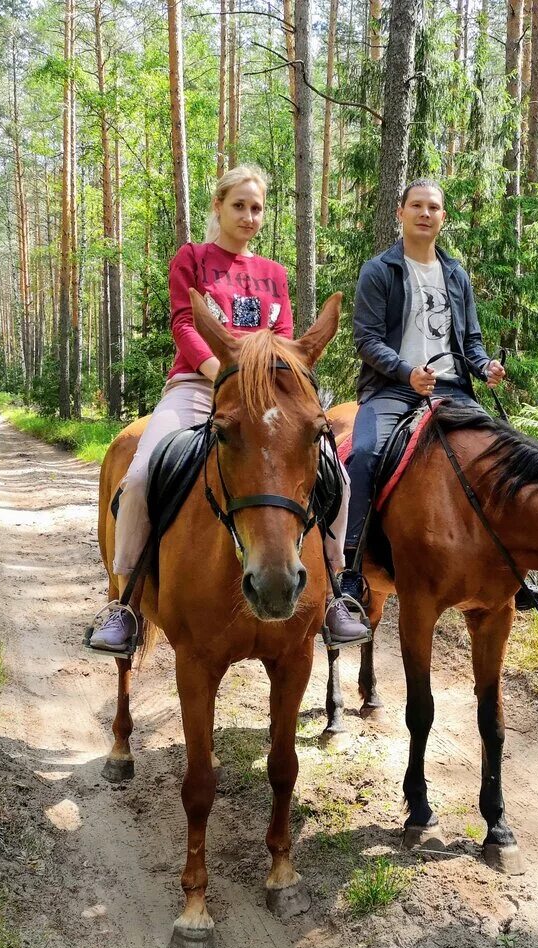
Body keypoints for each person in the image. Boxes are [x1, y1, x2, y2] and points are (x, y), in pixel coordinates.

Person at [88, 165, 368, 653]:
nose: (248, 216)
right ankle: (126, 601)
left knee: (336, 477)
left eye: (256, 208)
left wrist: (271, 385)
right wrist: (222, 373)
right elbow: (184, 324)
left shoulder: (273, 274)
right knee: (137, 476)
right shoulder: (192, 258)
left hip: (263, 398)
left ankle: (335, 593)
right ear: (218, 206)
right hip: (197, 385)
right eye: (239, 205)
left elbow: (281, 341)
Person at [340, 179, 538, 614]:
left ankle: (516, 575)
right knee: (363, 453)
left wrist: (484, 367)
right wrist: (407, 373)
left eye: (433, 207)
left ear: (443, 217)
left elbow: (472, 340)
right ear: (400, 213)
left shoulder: (456, 274)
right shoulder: (379, 270)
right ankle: (349, 570)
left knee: (505, 457)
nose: (425, 213)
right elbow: (365, 339)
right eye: (416, 206)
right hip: (391, 388)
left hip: (453, 391)